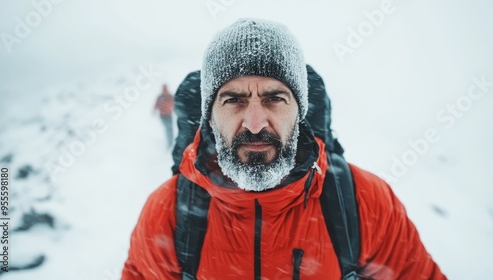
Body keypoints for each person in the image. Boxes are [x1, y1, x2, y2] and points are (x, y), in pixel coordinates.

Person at [123, 19, 446, 279]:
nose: (254, 123)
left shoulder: (363, 201)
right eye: (233, 99)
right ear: (209, 116)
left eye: (274, 98)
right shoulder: (167, 211)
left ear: (300, 111)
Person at [153, 84, 174, 148]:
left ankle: (171, 142)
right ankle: (169, 142)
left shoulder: (169, 96)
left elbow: (174, 104)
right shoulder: (160, 97)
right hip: (163, 116)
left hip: (169, 115)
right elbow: (156, 106)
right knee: (168, 128)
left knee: (170, 129)